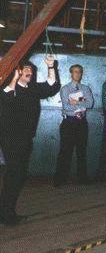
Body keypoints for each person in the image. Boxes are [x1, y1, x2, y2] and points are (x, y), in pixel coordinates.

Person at [0, 56, 60, 225]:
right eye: (25, 69)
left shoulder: (32, 89)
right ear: (17, 72)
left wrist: (50, 67)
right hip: (10, 139)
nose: (29, 72)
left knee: (17, 176)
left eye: (31, 70)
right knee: (14, 175)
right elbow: (6, 97)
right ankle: (6, 215)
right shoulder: (8, 88)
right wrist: (14, 78)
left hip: (26, 139)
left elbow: (52, 87)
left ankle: (6, 211)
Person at [53, 64, 94, 186]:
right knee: (65, 151)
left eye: (80, 72)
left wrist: (76, 100)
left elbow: (91, 103)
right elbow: (66, 106)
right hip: (69, 123)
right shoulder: (65, 89)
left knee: (81, 151)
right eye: (75, 72)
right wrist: (83, 101)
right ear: (71, 73)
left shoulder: (86, 88)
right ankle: (60, 180)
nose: (78, 74)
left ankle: (82, 179)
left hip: (82, 123)